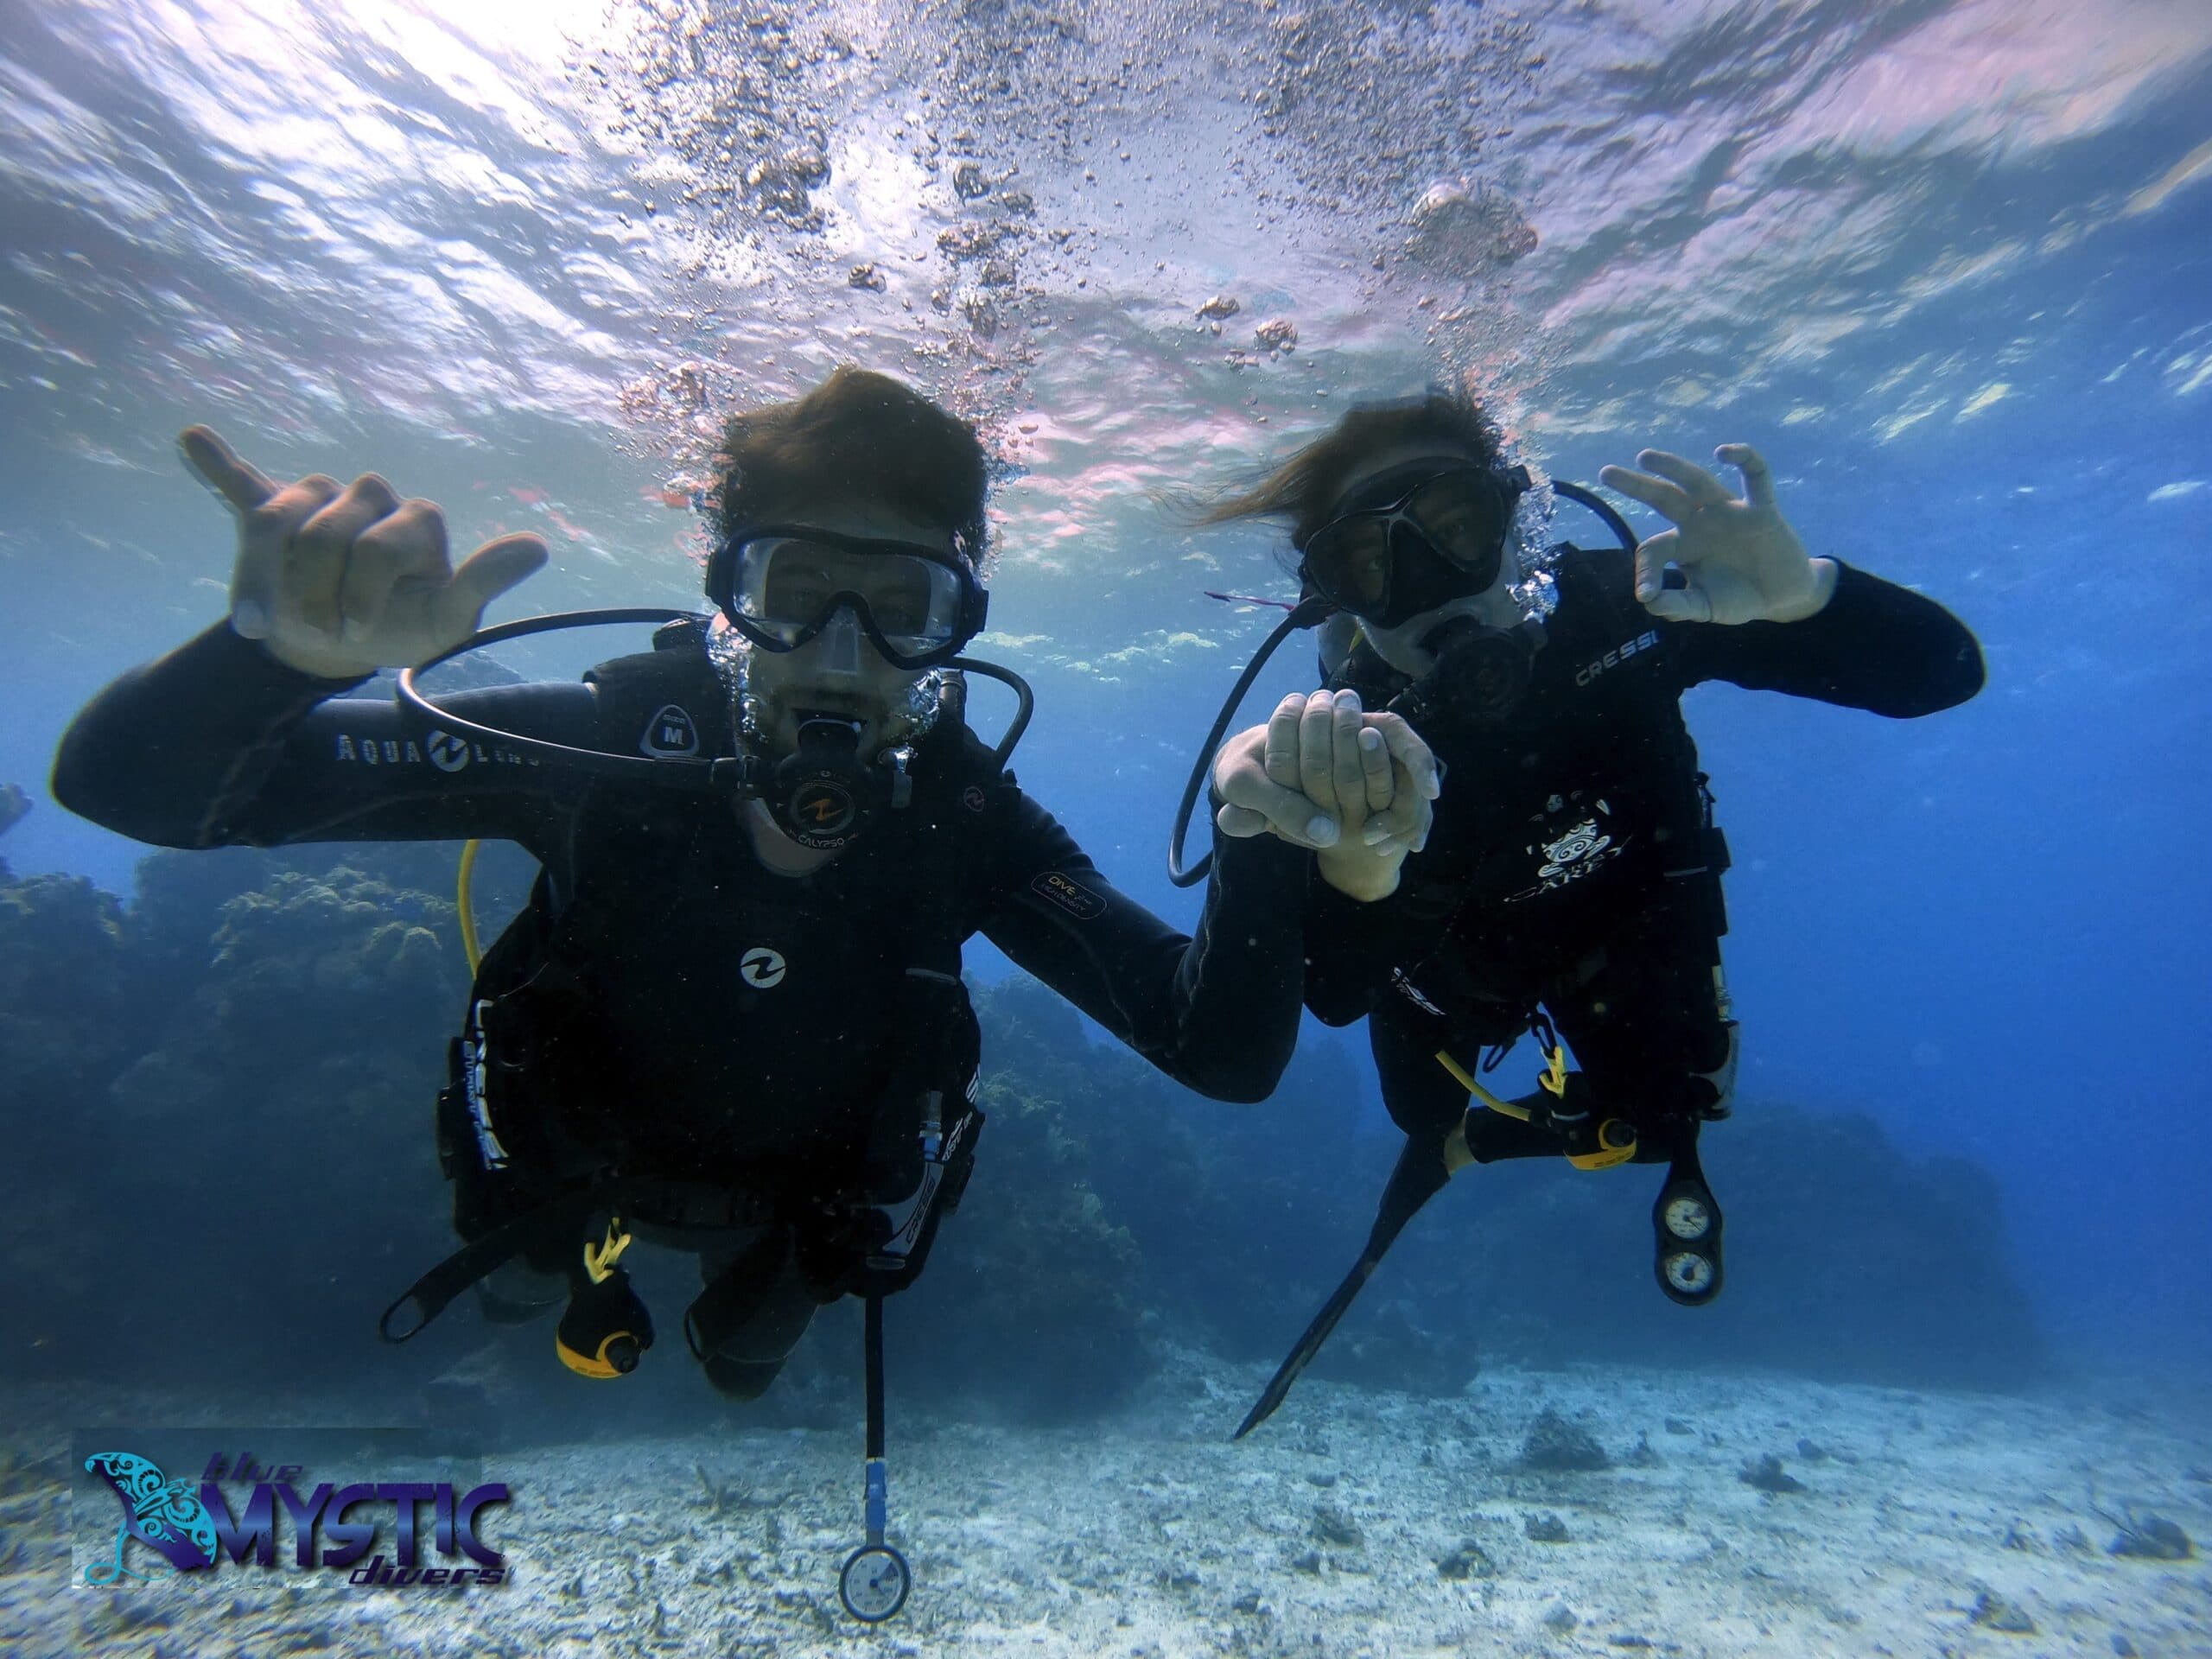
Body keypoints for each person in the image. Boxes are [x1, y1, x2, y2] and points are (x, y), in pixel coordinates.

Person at [51, 366, 1432, 1402]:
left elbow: (1220, 1052)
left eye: (901, 609)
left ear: (955, 627)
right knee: (527, 1272)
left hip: (804, 1217)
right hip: (559, 1165)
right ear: (726, 599)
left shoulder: (966, 820)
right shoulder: (597, 744)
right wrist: (276, 657)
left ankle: (722, 1325)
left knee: (741, 1363)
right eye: (795, 587)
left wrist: (1257, 840)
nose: (840, 653)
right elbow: (133, 792)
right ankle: (547, 1269)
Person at [1198, 389, 1986, 1434]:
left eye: (1454, 526)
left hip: (1633, 925)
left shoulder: (1635, 604)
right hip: (1450, 961)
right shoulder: (1349, 739)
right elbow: (1337, 993)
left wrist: (1809, 600)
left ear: (1519, 517)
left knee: (1671, 1109)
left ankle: (1506, 1137)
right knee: (1418, 1115)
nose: (1432, 587)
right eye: (1374, 564)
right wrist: (1358, 872)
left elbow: (1943, 675)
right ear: (1339, 602)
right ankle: (1450, 1143)